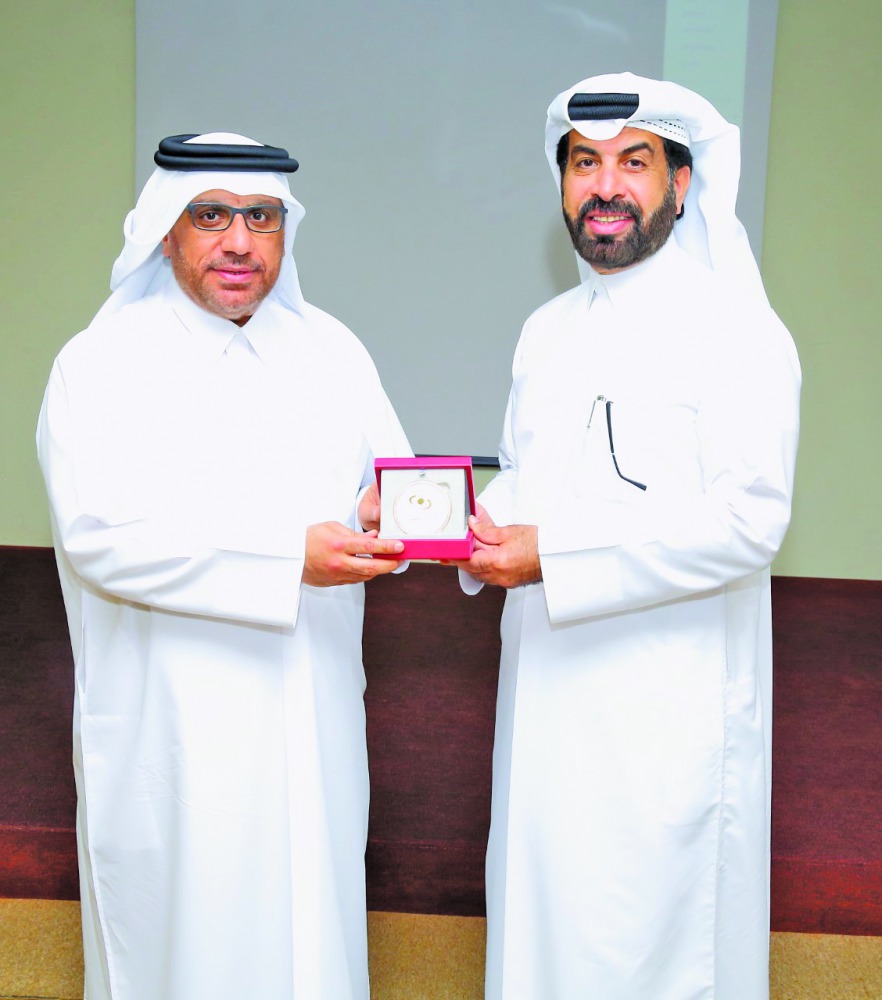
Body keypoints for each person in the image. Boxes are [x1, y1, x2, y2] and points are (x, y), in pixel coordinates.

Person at [37, 132, 411, 1000]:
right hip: (174, 733)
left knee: (308, 943)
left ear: (286, 232)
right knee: (183, 951)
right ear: (168, 230)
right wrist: (289, 561)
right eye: (211, 216)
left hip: (309, 718)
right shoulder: (99, 364)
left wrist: (383, 520)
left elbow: (387, 495)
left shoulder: (333, 352)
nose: (238, 241)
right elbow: (98, 535)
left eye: (262, 217)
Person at [452, 73, 801, 998]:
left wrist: (551, 557)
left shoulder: (736, 331)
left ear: (681, 185)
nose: (604, 186)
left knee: (649, 950)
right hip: (545, 703)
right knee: (543, 939)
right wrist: (465, 533)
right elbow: (527, 479)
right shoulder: (545, 331)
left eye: (632, 163)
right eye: (583, 163)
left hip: (664, 716)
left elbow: (749, 520)